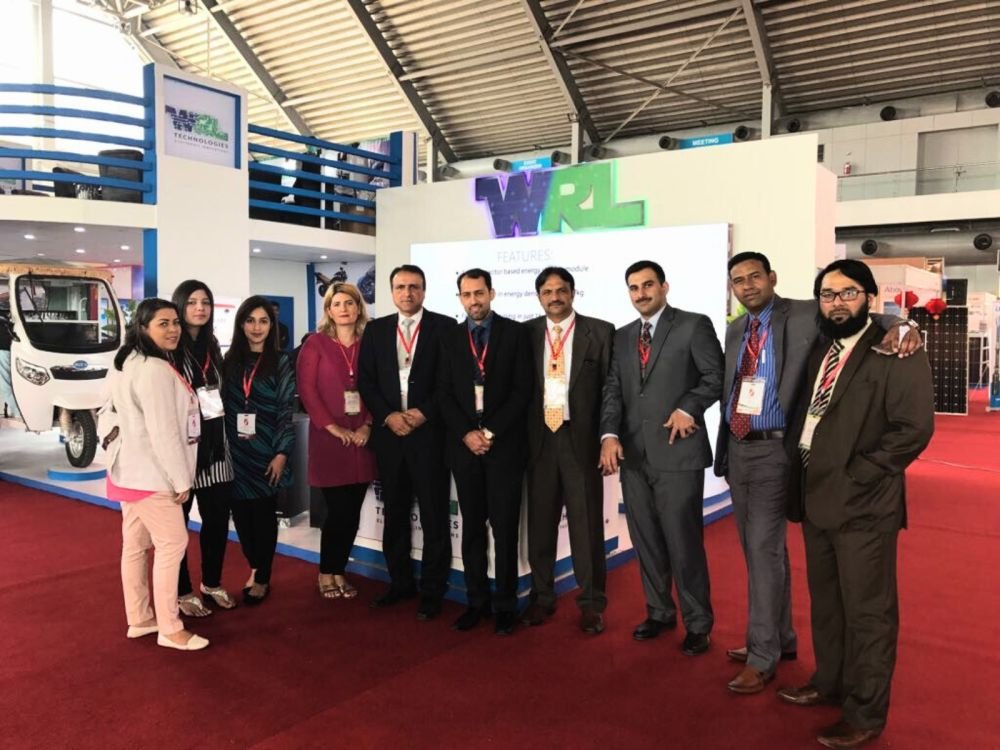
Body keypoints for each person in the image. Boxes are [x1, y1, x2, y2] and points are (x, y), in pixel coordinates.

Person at [716, 252, 924, 694]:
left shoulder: (805, 312)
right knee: (759, 551)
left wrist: (905, 325)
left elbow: (865, 317)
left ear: (772, 278)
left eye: (755, 276)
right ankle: (780, 638)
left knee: (764, 550)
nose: (747, 285)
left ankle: (762, 655)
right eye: (738, 280)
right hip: (739, 448)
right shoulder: (735, 329)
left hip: (777, 451)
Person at [777, 260, 934, 749]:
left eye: (848, 293)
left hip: (863, 503)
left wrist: (860, 473)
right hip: (814, 495)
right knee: (827, 603)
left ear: (869, 296)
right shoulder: (822, 346)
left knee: (868, 613)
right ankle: (830, 682)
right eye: (828, 294)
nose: (837, 303)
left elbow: (913, 430)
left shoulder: (896, 349)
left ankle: (865, 713)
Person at [599, 260, 723, 656]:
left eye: (648, 285)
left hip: (678, 453)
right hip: (634, 457)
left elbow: (715, 377)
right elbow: (613, 390)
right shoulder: (622, 337)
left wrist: (689, 407)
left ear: (664, 287)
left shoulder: (693, 325)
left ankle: (698, 623)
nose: (641, 293)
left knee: (683, 544)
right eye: (634, 287)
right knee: (646, 541)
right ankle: (659, 612)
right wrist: (609, 434)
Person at [105, 298, 208, 651]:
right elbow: (163, 432)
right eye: (163, 323)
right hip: (151, 475)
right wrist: (181, 480)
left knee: (135, 546)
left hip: (128, 471)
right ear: (143, 327)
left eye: (175, 322)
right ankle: (170, 628)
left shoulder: (127, 362)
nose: (174, 329)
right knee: (172, 544)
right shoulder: (153, 369)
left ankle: (140, 618)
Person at [438, 268, 532, 635]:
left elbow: (522, 390)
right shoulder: (450, 337)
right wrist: (467, 433)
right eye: (467, 294)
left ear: (491, 293)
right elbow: (443, 392)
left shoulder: (515, 333)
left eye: (479, 293)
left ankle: (506, 605)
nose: (474, 300)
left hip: (503, 448)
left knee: (505, 531)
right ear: (460, 298)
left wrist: (489, 432)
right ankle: (476, 601)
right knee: (472, 529)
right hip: (465, 450)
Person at [358, 265, 454, 620]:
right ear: (392, 292)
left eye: (414, 287)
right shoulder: (376, 329)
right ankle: (400, 583)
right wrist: (388, 416)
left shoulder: (445, 327)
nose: (407, 293)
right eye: (400, 287)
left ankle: (432, 590)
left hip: (429, 437)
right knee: (395, 514)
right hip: (390, 437)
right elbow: (366, 381)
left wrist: (423, 413)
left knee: (434, 516)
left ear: (424, 291)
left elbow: (449, 381)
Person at [522, 267, 614, 635]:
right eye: (547, 292)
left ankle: (591, 603)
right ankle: (542, 596)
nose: (555, 297)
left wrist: (608, 436)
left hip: (581, 440)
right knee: (540, 526)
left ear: (573, 293)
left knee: (586, 526)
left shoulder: (601, 332)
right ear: (539, 297)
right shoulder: (526, 334)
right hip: (539, 441)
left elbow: (611, 391)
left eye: (561, 290)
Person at [298, 283, 376, 600]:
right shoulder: (315, 343)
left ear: (359, 308)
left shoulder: (369, 343)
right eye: (337, 304)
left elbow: (378, 386)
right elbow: (307, 391)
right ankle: (326, 572)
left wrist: (368, 426)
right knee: (337, 512)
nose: (344, 309)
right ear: (329, 310)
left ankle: (339, 571)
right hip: (329, 441)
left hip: (362, 441)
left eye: (350, 303)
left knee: (352, 513)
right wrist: (333, 428)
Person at [170, 280, 237, 618]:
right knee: (176, 527)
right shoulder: (169, 347)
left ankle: (211, 583)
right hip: (181, 451)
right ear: (180, 306)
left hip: (215, 450)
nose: (200, 308)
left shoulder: (212, 346)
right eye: (192, 302)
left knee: (216, 522)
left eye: (206, 302)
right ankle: (182, 591)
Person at [222, 296, 296, 605]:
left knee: (264, 516)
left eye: (263, 321)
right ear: (241, 324)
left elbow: (286, 410)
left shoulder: (281, 361)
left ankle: (262, 575)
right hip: (235, 452)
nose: (256, 327)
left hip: (267, 451)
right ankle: (255, 564)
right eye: (250, 320)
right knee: (241, 517)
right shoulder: (229, 361)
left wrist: (281, 453)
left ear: (271, 325)